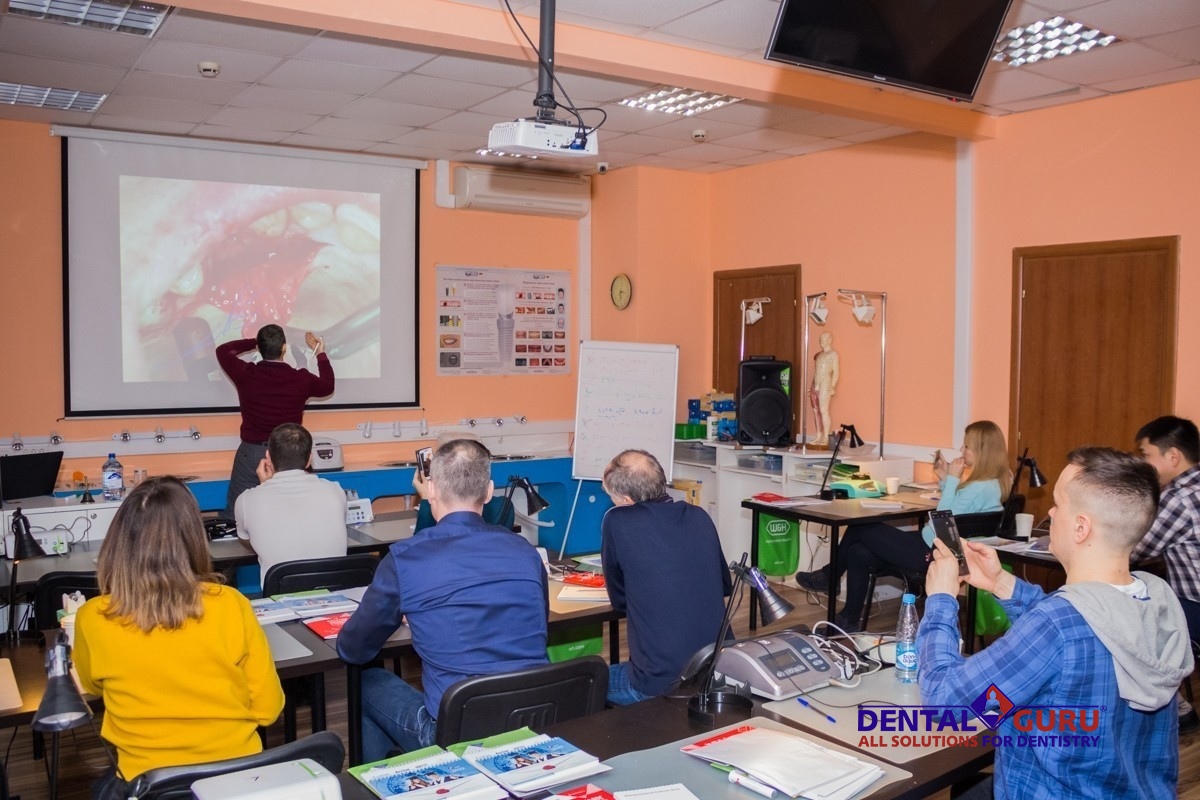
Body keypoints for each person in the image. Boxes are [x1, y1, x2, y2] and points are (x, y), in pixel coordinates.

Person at [920, 447, 1193, 799]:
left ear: (1081, 527)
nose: (1049, 511)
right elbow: (1089, 619)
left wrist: (941, 600)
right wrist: (1001, 584)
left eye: (1058, 504)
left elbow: (944, 704)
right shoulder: (1156, 600)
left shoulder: (1057, 627)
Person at [337, 439, 548, 759]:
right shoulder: (526, 553)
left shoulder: (405, 558)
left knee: (367, 681)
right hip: (535, 718)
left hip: (454, 735)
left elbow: (354, 648)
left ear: (430, 489)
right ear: (489, 491)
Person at [73, 478, 284, 798]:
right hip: (236, 780)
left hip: (148, 784)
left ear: (118, 541)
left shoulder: (93, 617)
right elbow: (269, 709)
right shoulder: (231, 604)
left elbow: (89, 685)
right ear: (193, 538)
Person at [795, 419, 1010, 632]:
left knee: (861, 526)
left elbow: (941, 523)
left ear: (983, 452)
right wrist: (946, 479)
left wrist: (953, 480)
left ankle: (829, 577)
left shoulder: (979, 488)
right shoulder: (992, 484)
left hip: (931, 554)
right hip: (936, 549)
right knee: (858, 551)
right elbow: (955, 511)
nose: (962, 450)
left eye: (967, 446)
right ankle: (848, 618)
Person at [600, 449, 731, 705]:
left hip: (657, 684)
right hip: (718, 673)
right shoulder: (699, 516)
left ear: (626, 501)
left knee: (589, 681)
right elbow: (724, 585)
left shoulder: (617, 521)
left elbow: (619, 600)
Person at [216, 324, 335, 517]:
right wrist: (321, 354)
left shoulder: (246, 374)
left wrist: (255, 343)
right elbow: (328, 386)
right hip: (290, 453)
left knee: (238, 513)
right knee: (295, 511)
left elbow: (223, 350)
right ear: (284, 348)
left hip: (252, 453)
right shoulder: (300, 379)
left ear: (261, 349)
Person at [1130, 415, 1200, 733]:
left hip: (1195, 604)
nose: (1141, 463)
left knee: (1127, 619)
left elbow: (1136, 550)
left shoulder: (1179, 497)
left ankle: (1174, 708)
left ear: (1173, 456)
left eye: (1145, 455)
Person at [234, 422, 348, 580]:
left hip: (280, 598)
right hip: (337, 594)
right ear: (309, 460)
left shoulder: (246, 500)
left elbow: (249, 542)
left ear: (268, 457)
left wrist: (265, 486)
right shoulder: (336, 491)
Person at [411, 431, 515, 533]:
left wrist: (427, 499)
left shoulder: (402, 550)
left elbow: (423, 543)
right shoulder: (503, 506)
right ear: (489, 490)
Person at [809, 332, 839, 443]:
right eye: (821, 338)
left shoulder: (833, 354)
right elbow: (816, 371)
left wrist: (832, 386)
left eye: (825, 338)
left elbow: (836, 371)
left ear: (830, 339)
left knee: (823, 409)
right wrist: (812, 386)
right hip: (816, 383)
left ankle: (826, 436)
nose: (822, 340)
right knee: (816, 410)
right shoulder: (819, 355)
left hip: (825, 383)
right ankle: (818, 435)